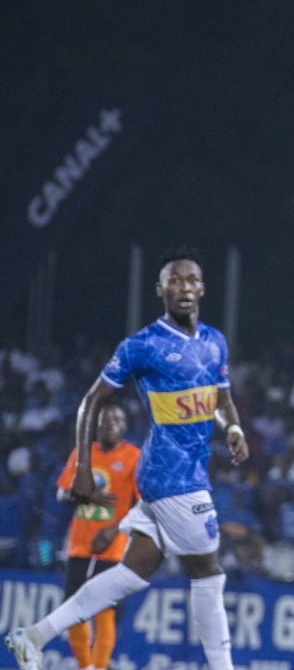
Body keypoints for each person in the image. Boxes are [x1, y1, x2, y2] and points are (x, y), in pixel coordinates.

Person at [6, 248, 249, 670]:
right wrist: (83, 466)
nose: (184, 288)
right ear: (160, 290)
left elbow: (222, 397)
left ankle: (34, 636)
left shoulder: (214, 341)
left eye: (191, 280)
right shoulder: (143, 345)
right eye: (174, 281)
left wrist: (233, 427)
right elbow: (91, 402)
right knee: (209, 574)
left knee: (132, 572)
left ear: (203, 288)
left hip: (180, 472)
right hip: (173, 478)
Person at [54, 404, 140, 670]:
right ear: (97, 424)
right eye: (106, 419)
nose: (112, 423)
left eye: (118, 419)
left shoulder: (133, 456)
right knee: (74, 607)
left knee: (106, 609)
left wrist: (116, 529)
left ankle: (99, 666)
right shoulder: (83, 453)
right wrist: (89, 495)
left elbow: (143, 502)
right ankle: (85, 665)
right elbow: (62, 493)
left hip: (113, 545)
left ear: (124, 426)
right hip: (80, 542)